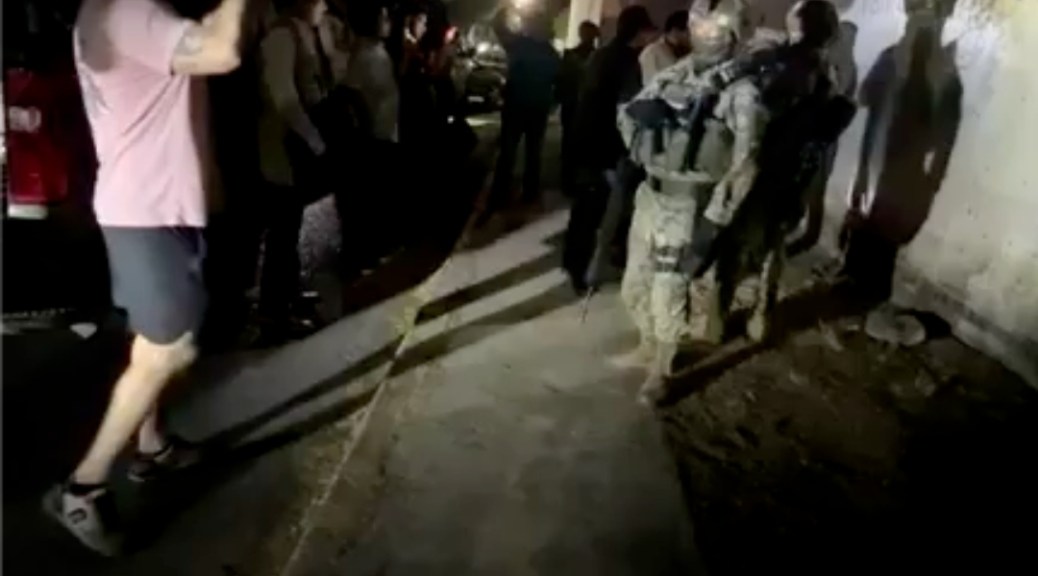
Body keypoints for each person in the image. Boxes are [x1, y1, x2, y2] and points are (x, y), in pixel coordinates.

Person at [52, 0, 247, 555]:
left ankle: (152, 445)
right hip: (148, 211)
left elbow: (202, 39)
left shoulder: (109, 10)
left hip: (152, 205)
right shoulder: (131, 10)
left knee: (151, 336)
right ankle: (82, 487)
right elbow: (222, 51)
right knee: (168, 347)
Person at [254, 0, 336, 345]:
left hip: (295, 144)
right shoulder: (281, 37)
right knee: (283, 229)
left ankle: (288, 295)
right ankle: (274, 313)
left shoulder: (305, 32)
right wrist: (315, 140)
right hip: (282, 147)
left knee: (291, 223)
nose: (324, 5)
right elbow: (284, 98)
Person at [562, 5, 656, 292]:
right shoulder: (624, 61)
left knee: (588, 211)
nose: (650, 37)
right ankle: (579, 270)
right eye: (647, 32)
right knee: (593, 212)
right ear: (638, 32)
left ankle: (576, 264)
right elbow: (621, 109)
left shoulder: (603, 56)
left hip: (589, 144)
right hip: (603, 148)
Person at [483, 5, 562, 220]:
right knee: (533, 153)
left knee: (508, 153)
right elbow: (559, 81)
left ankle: (500, 195)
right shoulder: (551, 53)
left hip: (516, 107)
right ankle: (529, 193)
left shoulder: (520, 45)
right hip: (537, 108)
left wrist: (505, 10)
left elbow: (500, 29)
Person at [558, 20, 600, 197]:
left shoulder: (572, 56)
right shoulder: (594, 57)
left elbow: (561, 82)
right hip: (579, 108)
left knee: (572, 146)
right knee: (576, 147)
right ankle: (573, 183)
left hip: (576, 107)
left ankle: (570, 183)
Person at [638, 10, 690, 84]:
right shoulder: (651, 52)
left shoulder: (688, 48)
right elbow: (650, 84)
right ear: (675, 30)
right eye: (689, 31)